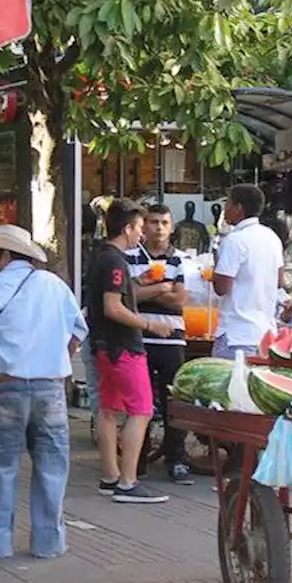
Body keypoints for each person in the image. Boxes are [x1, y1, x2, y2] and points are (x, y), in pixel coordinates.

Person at [0, 224, 86, 558]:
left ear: (5, 255)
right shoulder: (56, 286)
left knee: (2, 463)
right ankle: (49, 542)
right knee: (51, 464)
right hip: (51, 387)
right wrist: (58, 357)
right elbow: (78, 331)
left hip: (6, 386)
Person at [87, 198, 171, 505]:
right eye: (139, 227)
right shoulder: (116, 261)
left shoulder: (99, 256)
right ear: (127, 228)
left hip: (103, 345)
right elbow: (113, 306)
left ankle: (110, 476)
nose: (143, 234)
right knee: (141, 410)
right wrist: (149, 325)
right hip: (124, 346)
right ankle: (128, 481)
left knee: (108, 411)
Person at [125, 204, 191, 484]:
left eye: (164, 222)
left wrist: (147, 292)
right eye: (153, 222)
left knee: (173, 400)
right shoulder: (130, 258)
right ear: (144, 225)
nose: (159, 228)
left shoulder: (179, 260)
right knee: (139, 402)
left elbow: (180, 300)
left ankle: (176, 457)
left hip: (171, 337)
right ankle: (137, 458)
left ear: (172, 227)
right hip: (139, 336)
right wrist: (163, 287)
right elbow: (128, 296)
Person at [211, 184, 285, 358]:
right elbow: (280, 282)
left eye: (227, 203)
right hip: (265, 335)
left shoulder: (234, 240)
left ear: (238, 208)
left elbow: (221, 288)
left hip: (236, 335)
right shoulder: (272, 237)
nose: (225, 209)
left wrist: (216, 265)